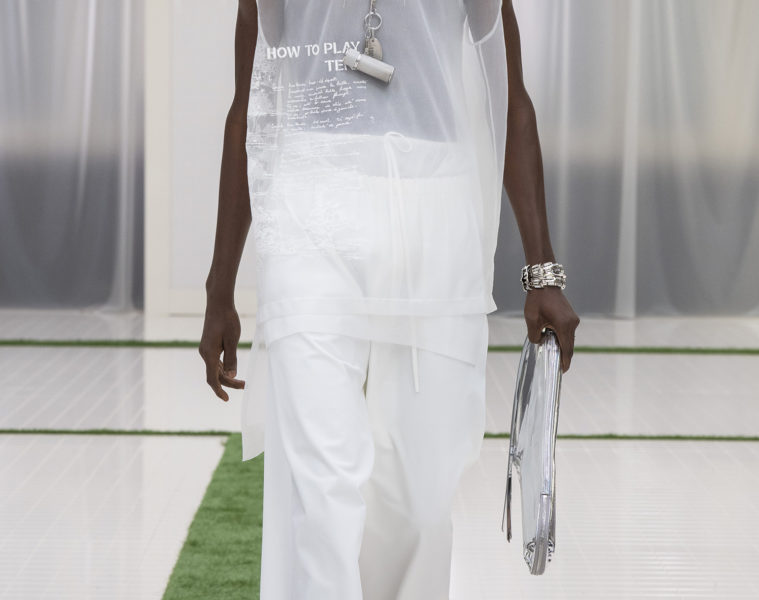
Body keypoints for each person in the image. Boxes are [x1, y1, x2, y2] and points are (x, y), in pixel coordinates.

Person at [199, 1, 580, 598]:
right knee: (322, 491)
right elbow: (249, 109)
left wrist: (542, 272)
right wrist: (219, 287)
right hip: (309, 221)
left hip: (435, 228)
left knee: (419, 505)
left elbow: (508, 97)